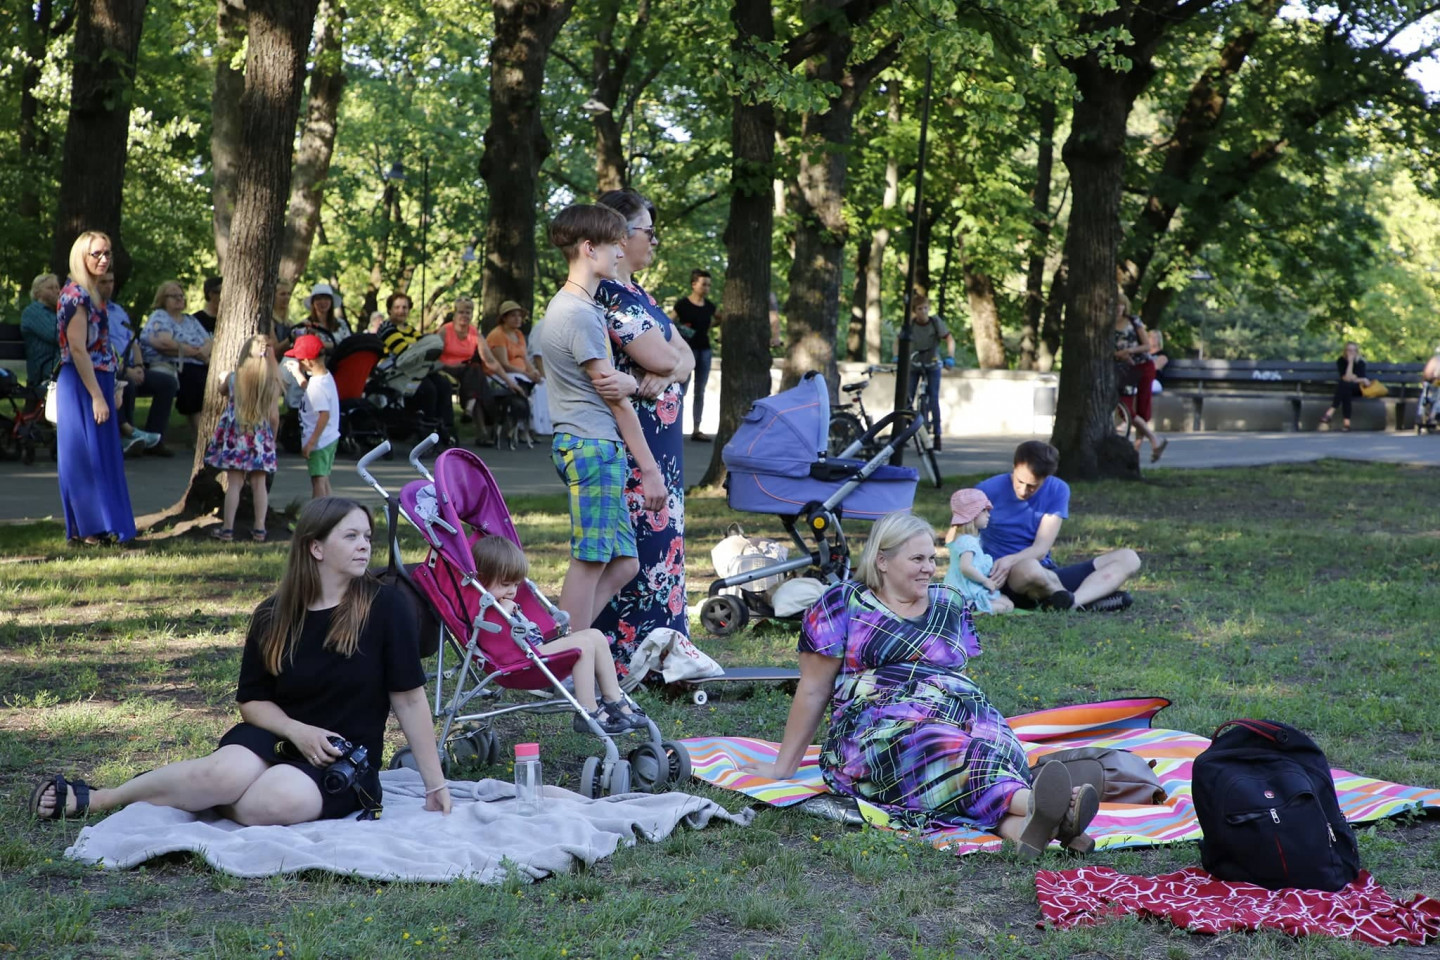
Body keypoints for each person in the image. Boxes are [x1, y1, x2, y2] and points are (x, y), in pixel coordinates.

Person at [30, 497, 452, 824]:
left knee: (275, 800)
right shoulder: (274, 614)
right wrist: (296, 730)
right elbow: (252, 701)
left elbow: (410, 699)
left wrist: (435, 785)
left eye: (367, 537)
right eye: (351, 536)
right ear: (316, 547)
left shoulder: (386, 607)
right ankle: (102, 797)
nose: (364, 546)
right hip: (276, 736)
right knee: (219, 775)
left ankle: (197, 799)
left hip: (341, 758)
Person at [741, 512, 1098, 858]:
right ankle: (1041, 802)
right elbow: (813, 689)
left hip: (957, 710)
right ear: (882, 560)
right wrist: (783, 768)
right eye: (917, 559)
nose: (929, 568)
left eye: (931, 558)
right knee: (937, 746)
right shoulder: (842, 603)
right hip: (876, 729)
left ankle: (1029, 827)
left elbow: (956, 676)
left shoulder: (949, 602)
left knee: (993, 745)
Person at [535, 203, 666, 632]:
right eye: (614, 245)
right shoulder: (577, 314)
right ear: (589, 248)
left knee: (624, 563)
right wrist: (650, 471)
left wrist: (627, 383)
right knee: (590, 561)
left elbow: (616, 389)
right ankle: (558, 654)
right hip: (592, 446)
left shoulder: (581, 307)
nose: (621, 252)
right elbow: (617, 400)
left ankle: (566, 644)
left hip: (593, 445)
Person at [591, 188, 695, 666]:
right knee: (642, 543)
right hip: (637, 443)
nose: (654, 241)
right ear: (621, 234)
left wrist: (667, 372)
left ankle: (663, 647)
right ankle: (625, 655)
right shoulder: (610, 294)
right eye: (649, 232)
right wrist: (667, 366)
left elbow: (684, 358)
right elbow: (664, 356)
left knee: (665, 541)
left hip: (663, 444)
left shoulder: (641, 295)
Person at [472, 535, 645, 734]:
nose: (512, 591)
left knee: (595, 635)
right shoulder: (487, 611)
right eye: (505, 584)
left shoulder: (507, 603)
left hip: (535, 652)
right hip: (518, 663)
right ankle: (588, 711)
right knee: (582, 645)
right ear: (482, 580)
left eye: (516, 585)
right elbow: (494, 641)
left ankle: (614, 700)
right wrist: (502, 612)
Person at [978, 440, 1140, 613]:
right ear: (1014, 467)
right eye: (1020, 481)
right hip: (1005, 578)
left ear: (1046, 478)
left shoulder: (1058, 489)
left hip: (1046, 573)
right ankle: (1084, 600)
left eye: (1032, 486)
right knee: (1030, 569)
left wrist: (1010, 560)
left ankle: (1073, 602)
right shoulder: (986, 490)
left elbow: (1040, 549)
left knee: (1129, 558)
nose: (1024, 490)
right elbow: (964, 537)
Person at [53, 231, 136, 546]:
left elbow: (102, 346)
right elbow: (78, 349)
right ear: (81, 257)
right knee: (84, 457)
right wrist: (97, 395)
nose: (103, 259)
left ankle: (99, 526)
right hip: (81, 382)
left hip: (97, 378)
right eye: (96, 254)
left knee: (101, 454)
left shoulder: (93, 293)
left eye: (107, 253)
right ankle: (89, 529)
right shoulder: (75, 295)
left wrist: (112, 386)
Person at [205, 335, 281, 542]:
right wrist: (272, 440)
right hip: (260, 439)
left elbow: (221, 390)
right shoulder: (271, 382)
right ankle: (260, 528)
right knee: (259, 484)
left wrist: (223, 378)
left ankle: (227, 528)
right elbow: (274, 417)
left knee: (234, 484)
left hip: (236, 438)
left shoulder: (234, 378)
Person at [436, 296, 523, 447]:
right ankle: (481, 427)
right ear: (455, 314)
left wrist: (509, 382)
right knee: (477, 378)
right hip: (446, 369)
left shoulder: (474, 333)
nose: (465, 315)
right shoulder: (445, 331)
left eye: (468, 312)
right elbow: (433, 357)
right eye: (461, 312)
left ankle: (471, 409)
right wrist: (451, 365)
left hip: (467, 372)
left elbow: (490, 361)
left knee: (475, 372)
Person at [97, 272, 164, 455]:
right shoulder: (92, 311)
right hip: (110, 367)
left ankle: (153, 441)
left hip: (131, 366)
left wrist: (140, 367)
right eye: (103, 282)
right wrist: (127, 370)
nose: (109, 286)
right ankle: (130, 435)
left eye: (111, 281)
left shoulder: (118, 310)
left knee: (167, 383)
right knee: (126, 382)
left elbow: (133, 341)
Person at [377, 291, 457, 445]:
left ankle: (446, 427)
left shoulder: (410, 329)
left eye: (405, 307)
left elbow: (422, 349)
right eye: (397, 307)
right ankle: (428, 428)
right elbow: (403, 351)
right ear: (389, 310)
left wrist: (419, 350)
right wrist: (418, 349)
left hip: (416, 370)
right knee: (428, 389)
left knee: (444, 384)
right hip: (396, 373)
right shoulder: (387, 327)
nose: (401, 311)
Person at [140, 280, 213, 440]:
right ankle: (203, 439)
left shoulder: (190, 320)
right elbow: (163, 343)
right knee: (196, 382)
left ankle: (213, 437)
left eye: (181, 295)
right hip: (173, 365)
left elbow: (209, 341)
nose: (180, 299)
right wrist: (195, 353)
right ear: (163, 299)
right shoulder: (160, 317)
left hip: (196, 363)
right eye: (174, 296)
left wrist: (195, 352)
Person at [943, 488, 1013, 615]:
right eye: (984, 510)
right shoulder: (967, 541)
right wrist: (985, 581)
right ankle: (971, 606)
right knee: (1007, 606)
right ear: (972, 514)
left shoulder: (965, 539)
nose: (988, 515)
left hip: (965, 588)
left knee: (1006, 601)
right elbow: (965, 568)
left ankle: (971, 605)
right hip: (966, 591)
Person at [1113, 300, 1167, 462]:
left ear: (1125, 306)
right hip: (1126, 369)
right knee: (1125, 407)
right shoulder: (1107, 326)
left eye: (1121, 304)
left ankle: (1136, 451)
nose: (1118, 307)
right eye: (1115, 304)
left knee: (1143, 410)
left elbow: (1146, 346)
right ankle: (1154, 440)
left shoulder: (1133, 321)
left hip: (1144, 366)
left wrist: (1129, 351)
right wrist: (1120, 356)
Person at [289, 334, 341, 499]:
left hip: (319, 442)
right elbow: (311, 391)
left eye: (299, 360)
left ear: (308, 361)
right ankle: (330, 508)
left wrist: (311, 442)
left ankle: (318, 510)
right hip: (329, 438)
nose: (297, 362)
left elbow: (324, 415)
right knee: (323, 478)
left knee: (318, 480)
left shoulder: (317, 386)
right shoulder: (324, 378)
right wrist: (297, 374)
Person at [906, 294, 956, 450]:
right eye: (919, 309)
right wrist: (897, 356)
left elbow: (949, 339)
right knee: (908, 397)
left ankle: (937, 435)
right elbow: (898, 341)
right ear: (914, 311)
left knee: (933, 397)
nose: (923, 312)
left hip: (932, 363)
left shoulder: (935, 322)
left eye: (925, 308)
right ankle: (904, 433)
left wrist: (950, 357)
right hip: (915, 364)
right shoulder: (911, 324)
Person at [673, 269, 717, 441]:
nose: (707, 288)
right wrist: (681, 332)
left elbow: (719, 318)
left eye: (709, 285)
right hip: (685, 351)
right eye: (704, 284)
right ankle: (676, 427)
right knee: (682, 390)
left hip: (704, 350)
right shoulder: (682, 304)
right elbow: (668, 321)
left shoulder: (710, 307)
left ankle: (696, 429)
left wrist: (710, 326)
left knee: (700, 390)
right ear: (694, 284)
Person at [20, 272, 61, 388]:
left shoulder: (57, 312)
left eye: (57, 287)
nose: (57, 291)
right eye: (50, 288)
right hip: (45, 370)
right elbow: (58, 336)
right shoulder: (33, 312)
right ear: (37, 293)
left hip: (59, 365)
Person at [1319, 341, 1370, 431]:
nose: (1351, 353)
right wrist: (1350, 363)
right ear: (1345, 351)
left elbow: (1360, 380)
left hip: (1358, 389)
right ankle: (1346, 424)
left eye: (1353, 350)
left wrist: (1355, 378)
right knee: (1346, 388)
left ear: (1357, 352)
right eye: (1349, 350)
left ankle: (1331, 412)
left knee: (1344, 385)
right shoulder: (1341, 361)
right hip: (1347, 389)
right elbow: (1346, 377)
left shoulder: (1360, 362)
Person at [297, 283, 351, 349]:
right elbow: (300, 344)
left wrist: (324, 345)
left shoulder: (341, 324)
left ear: (331, 301)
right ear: (313, 302)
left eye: (326, 298)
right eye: (318, 299)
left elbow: (349, 345)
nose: (322, 302)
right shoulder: (305, 324)